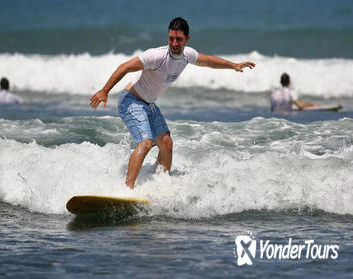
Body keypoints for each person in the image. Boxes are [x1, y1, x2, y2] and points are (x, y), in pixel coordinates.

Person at [90, 17, 255, 189]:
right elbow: (124, 66)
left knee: (167, 144)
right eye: (171, 39)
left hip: (149, 104)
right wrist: (104, 90)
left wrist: (233, 65)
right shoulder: (156, 56)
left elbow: (208, 61)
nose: (174, 43)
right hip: (131, 101)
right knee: (146, 143)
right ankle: (127, 189)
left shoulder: (187, 55)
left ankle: (159, 185)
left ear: (187, 39)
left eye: (179, 39)